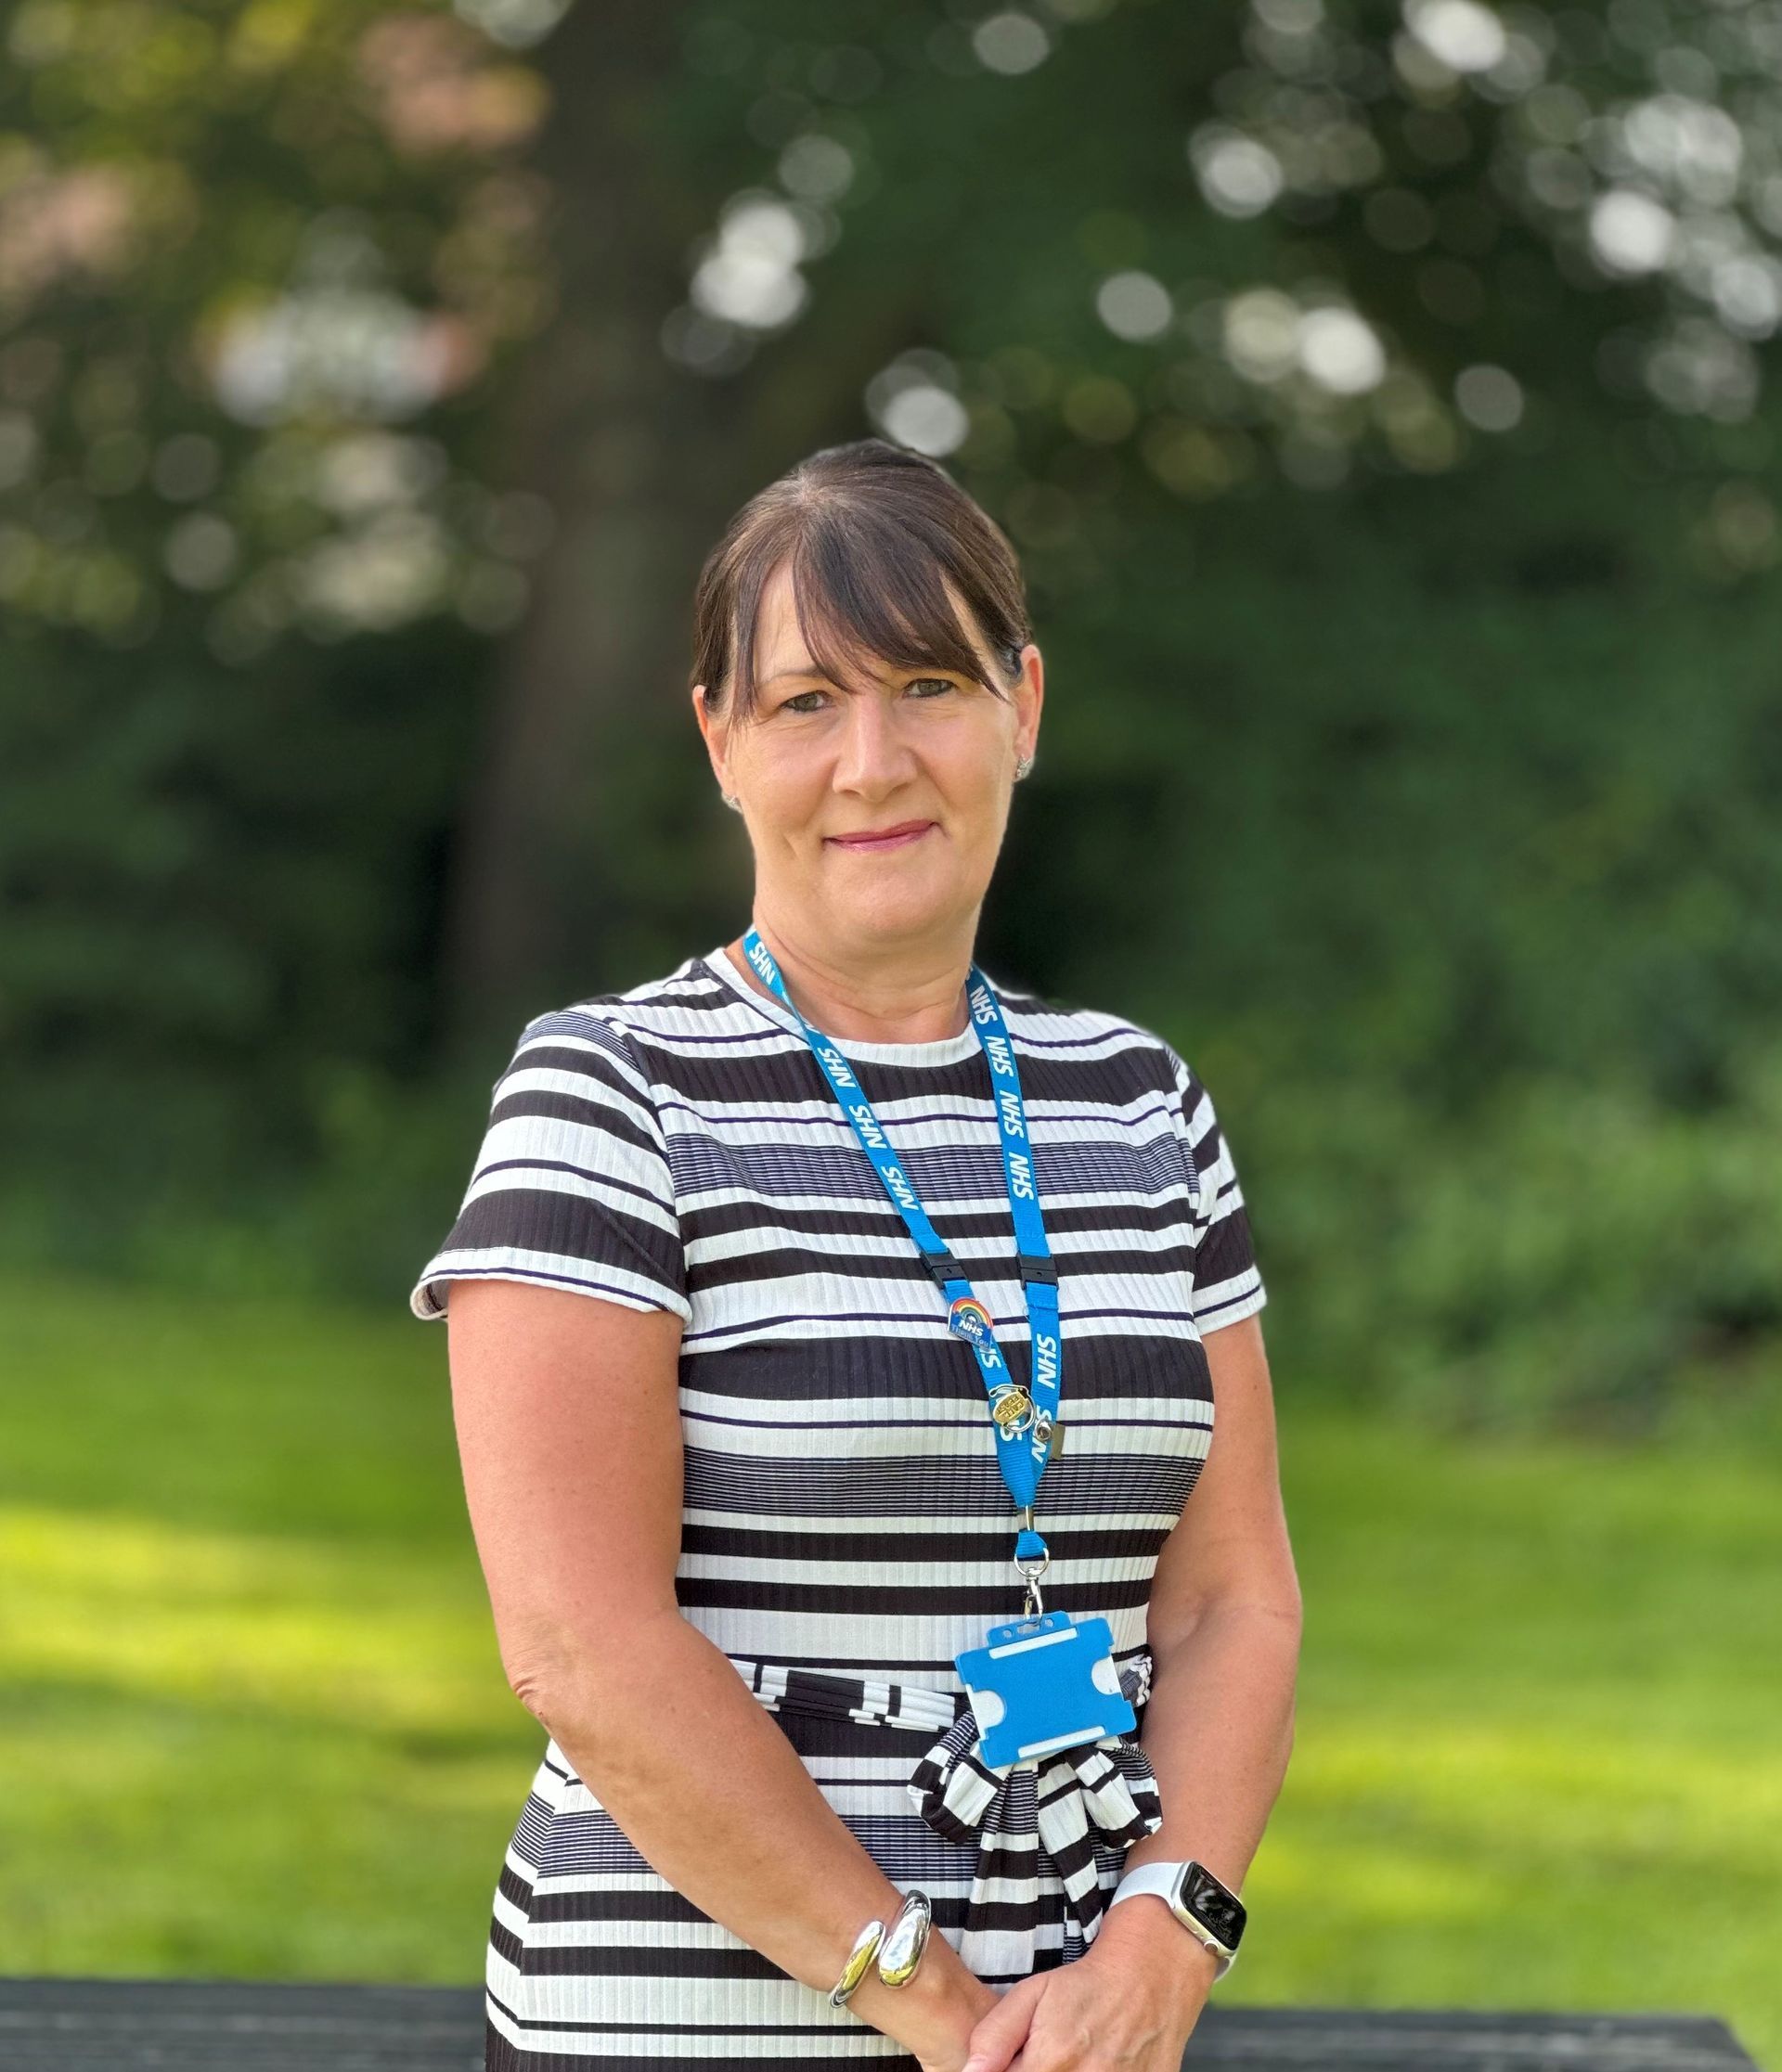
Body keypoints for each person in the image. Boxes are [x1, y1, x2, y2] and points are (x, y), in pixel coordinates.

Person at [409, 436, 1302, 2072]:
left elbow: (1237, 1600)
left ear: (1023, 707)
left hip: (1090, 2037)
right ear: (720, 742)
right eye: (807, 701)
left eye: (929, 685)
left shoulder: (1142, 1102)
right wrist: (929, 2001)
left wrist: (1168, 1937)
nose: (875, 760)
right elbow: (576, 1642)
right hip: (687, 2019)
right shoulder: (609, 1092)